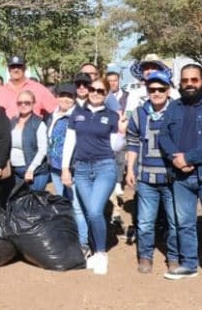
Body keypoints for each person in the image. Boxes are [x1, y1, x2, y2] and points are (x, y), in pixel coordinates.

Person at [158, 64, 202, 290]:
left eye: (194, 80)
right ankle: (189, 264)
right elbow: (163, 135)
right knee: (185, 223)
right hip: (180, 177)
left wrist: (189, 158)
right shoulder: (173, 108)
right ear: (180, 83)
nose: (189, 84)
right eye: (185, 80)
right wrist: (174, 157)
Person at [61, 77, 127, 275]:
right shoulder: (77, 113)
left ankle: (100, 252)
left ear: (106, 94)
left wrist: (122, 133)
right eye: (93, 89)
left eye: (100, 90)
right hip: (81, 169)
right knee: (89, 211)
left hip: (104, 167)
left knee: (96, 211)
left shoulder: (112, 116)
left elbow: (115, 147)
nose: (96, 93)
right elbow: (69, 142)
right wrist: (66, 168)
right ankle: (90, 247)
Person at [125, 70, 178, 274]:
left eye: (161, 89)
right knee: (145, 222)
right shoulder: (139, 113)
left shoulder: (177, 111)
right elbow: (132, 142)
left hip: (172, 177)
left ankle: (173, 257)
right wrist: (130, 169)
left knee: (175, 221)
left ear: (168, 90)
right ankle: (145, 257)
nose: (156, 93)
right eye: (152, 89)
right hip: (146, 177)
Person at [46, 84, 88, 248]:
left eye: (69, 96)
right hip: (55, 167)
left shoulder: (77, 116)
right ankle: (71, 237)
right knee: (65, 203)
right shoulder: (53, 115)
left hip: (72, 168)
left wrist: (69, 168)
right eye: (62, 95)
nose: (65, 99)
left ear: (74, 98)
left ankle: (83, 242)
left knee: (77, 205)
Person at [0, 55, 56, 119]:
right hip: (7, 128)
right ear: (9, 69)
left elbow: (55, 110)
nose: (16, 70)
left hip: (32, 127)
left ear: (24, 68)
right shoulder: (1, 92)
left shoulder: (38, 89)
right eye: (13, 67)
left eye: (19, 66)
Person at [10, 90, 48, 191]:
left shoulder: (39, 124)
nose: (23, 105)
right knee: (18, 204)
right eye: (20, 103)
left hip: (35, 173)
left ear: (33, 104)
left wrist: (31, 170)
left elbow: (43, 150)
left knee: (33, 205)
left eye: (27, 102)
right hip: (15, 172)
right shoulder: (12, 122)